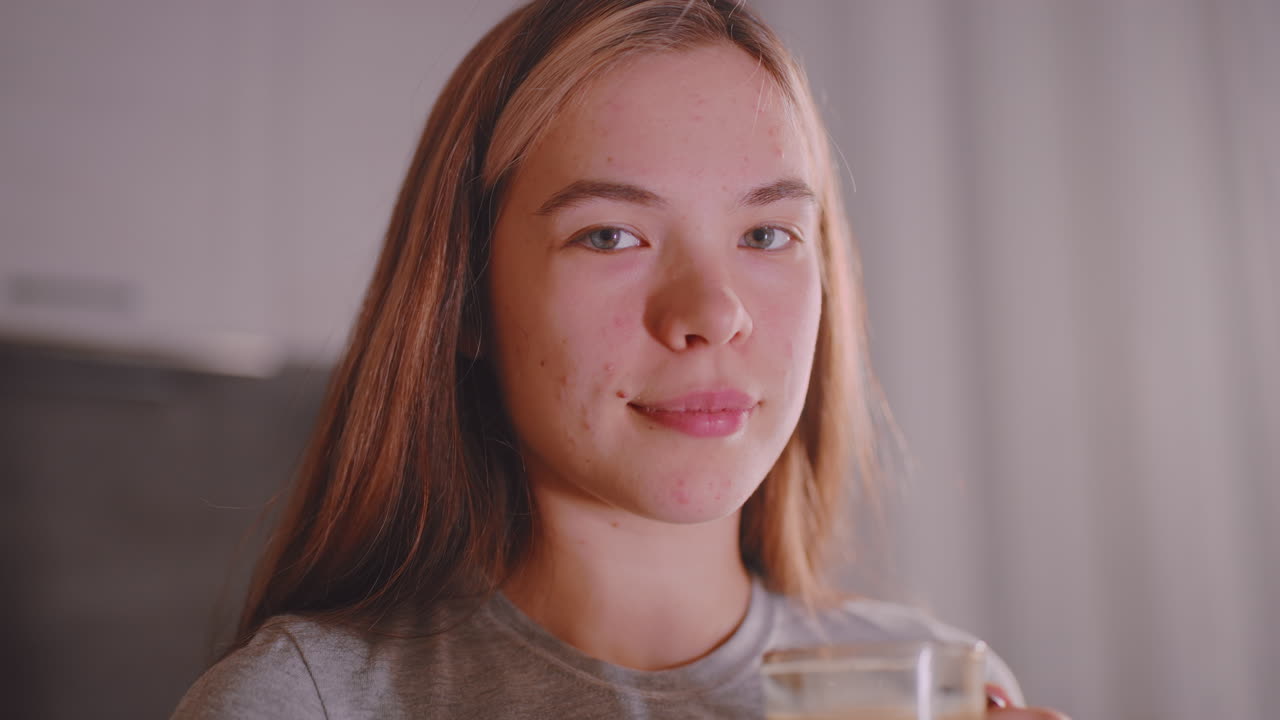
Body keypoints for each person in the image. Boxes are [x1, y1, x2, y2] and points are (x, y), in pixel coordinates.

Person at [173, 1, 1069, 718]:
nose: (711, 314)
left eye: (766, 233)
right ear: (465, 298)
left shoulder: (939, 690)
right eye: (609, 235)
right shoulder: (301, 704)